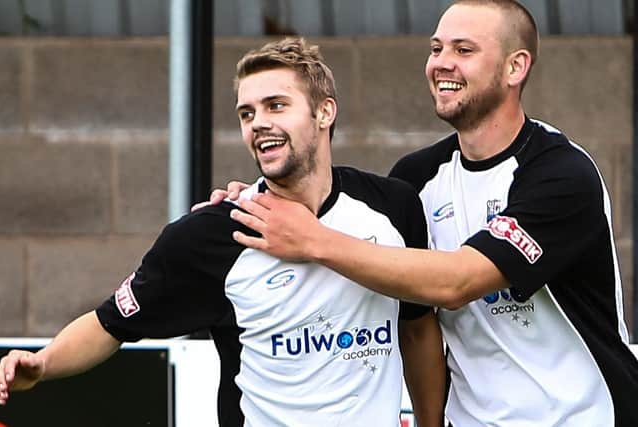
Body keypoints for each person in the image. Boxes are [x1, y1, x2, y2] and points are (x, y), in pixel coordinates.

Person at [213, 1, 638, 426]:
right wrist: (256, 198)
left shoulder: (561, 173)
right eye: (436, 49)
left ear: (515, 68)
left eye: (463, 50)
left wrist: (313, 240)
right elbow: (350, 227)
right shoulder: (416, 178)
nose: (441, 64)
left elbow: (459, 282)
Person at [0, 38, 445, 427]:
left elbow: (419, 331)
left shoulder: (393, 207)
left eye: (276, 106)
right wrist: (43, 362)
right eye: (246, 113)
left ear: (325, 111)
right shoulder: (207, 237)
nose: (258, 124)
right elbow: (110, 323)